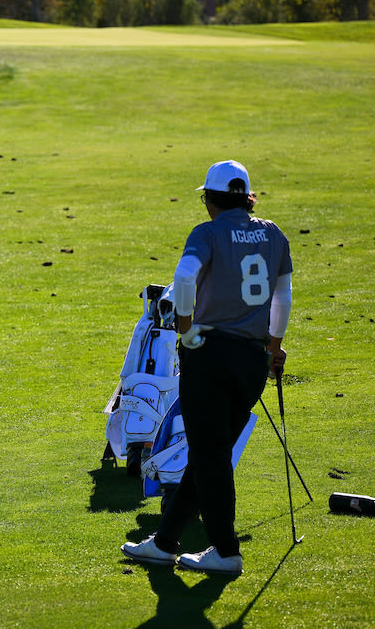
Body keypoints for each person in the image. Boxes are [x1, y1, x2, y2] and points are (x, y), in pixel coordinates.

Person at [122, 160, 292, 575]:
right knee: (208, 452)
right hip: (253, 360)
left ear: (210, 199)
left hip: (210, 355)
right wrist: (274, 346)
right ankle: (164, 543)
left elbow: (183, 281)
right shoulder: (273, 234)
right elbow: (282, 297)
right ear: (246, 197)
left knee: (210, 455)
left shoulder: (208, 233)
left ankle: (226, 550)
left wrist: (184, 331)